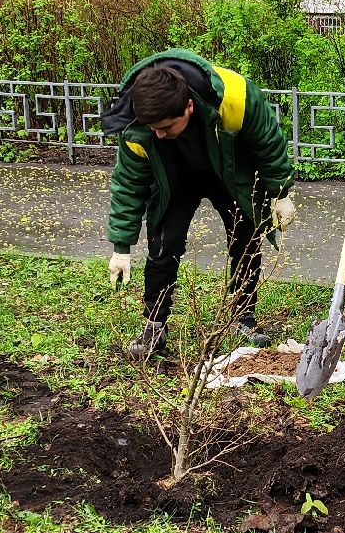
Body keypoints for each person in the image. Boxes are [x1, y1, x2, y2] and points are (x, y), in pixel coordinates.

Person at [103, 49, 297, 361]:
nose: (159, 134)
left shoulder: (236, 96)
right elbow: (129, 185)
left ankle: (242, 319)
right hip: (174, 179)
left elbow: (268, 142)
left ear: (189, 106)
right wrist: (121, 246)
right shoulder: (138, 127)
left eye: (166, 127)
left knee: (245, 237)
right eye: (153, 128)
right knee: (165, 244)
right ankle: (155, 326)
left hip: (229, 172)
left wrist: (280, 192)